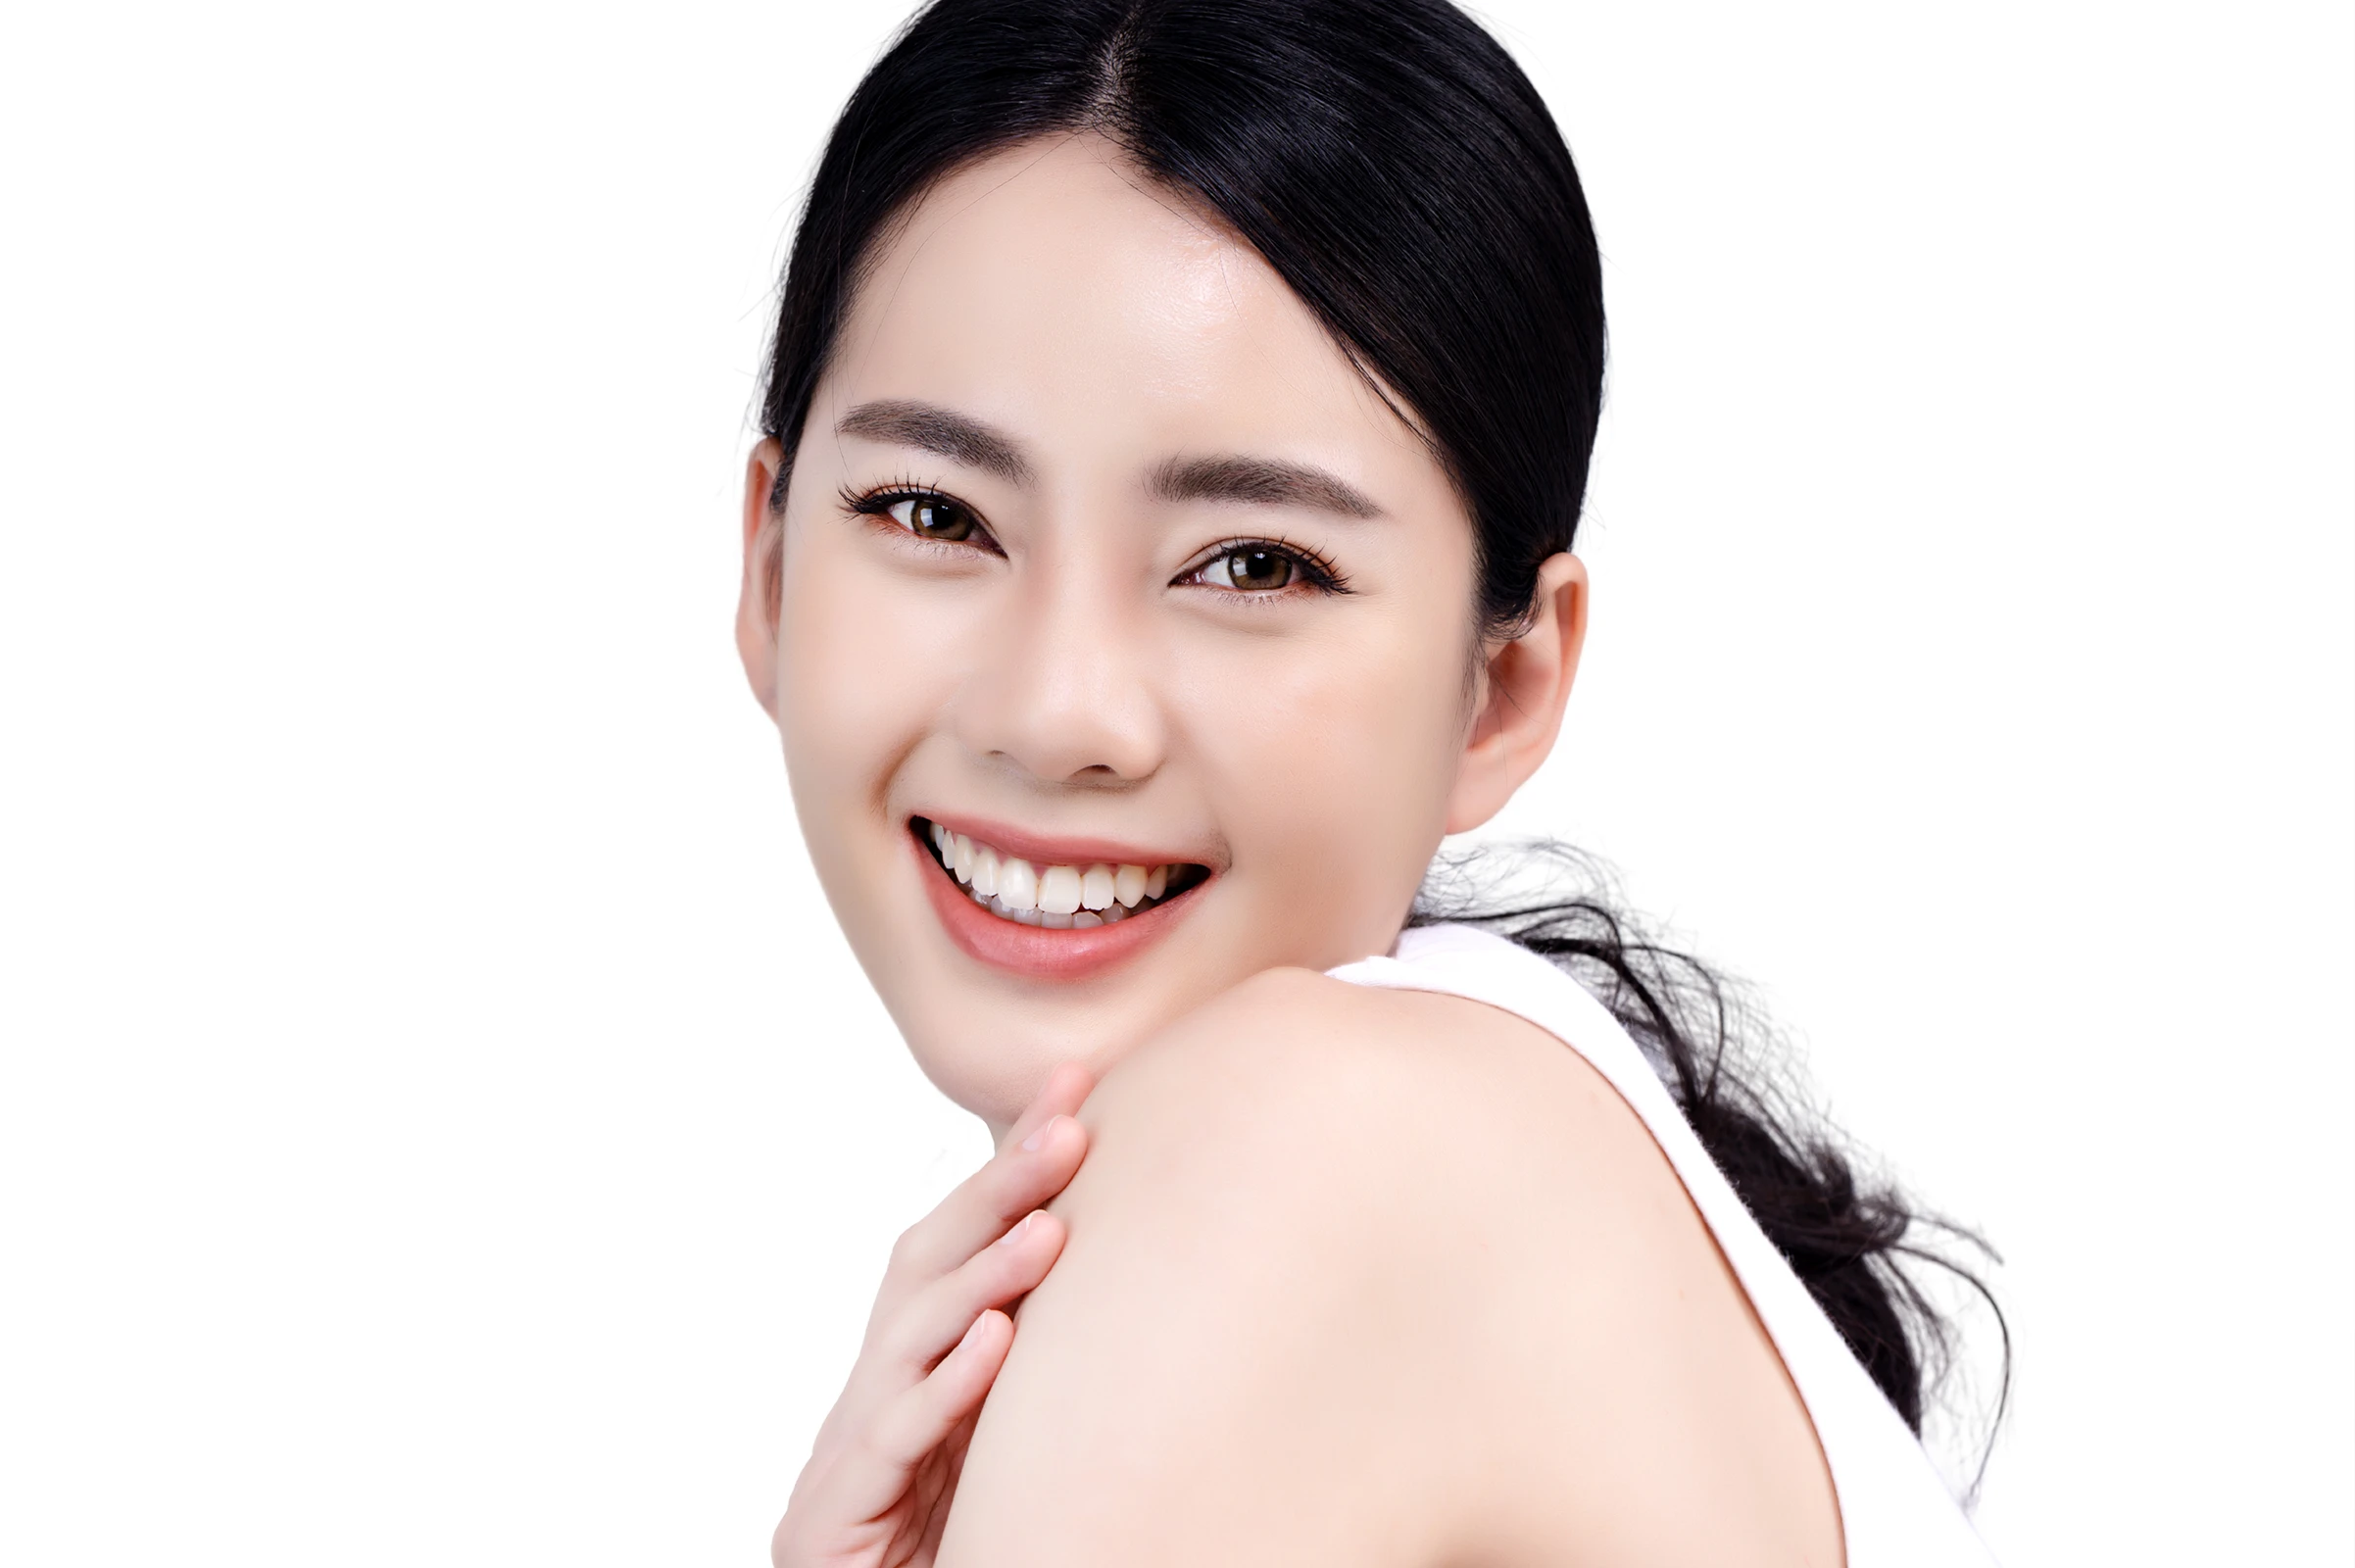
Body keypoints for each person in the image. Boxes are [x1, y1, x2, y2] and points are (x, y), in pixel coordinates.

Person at [739, 1, 2000, 1561]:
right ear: (770, 568)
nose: (1058, 710)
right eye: (936, 515)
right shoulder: (1472, 1138)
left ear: (1506, 683)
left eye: (1254, 563)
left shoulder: (1305, 1149)